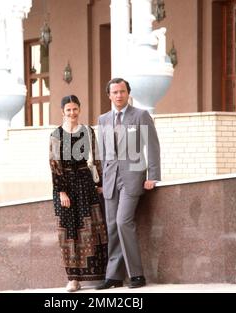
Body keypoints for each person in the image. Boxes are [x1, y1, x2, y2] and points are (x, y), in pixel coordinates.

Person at [96, 78, 161, 289]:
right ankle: (114, 276)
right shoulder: (103, 119)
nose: (118, 95)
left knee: (124, 221)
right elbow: (103, 154)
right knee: (112, 225)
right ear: (109, 95)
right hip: (110, 179)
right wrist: (101, 179)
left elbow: (152, 146)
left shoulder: (140, 116)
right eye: (114, 92)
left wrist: (153, 175)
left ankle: (137, 275)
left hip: (133, 178)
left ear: (128, 93)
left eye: (122, 91)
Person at [49, 95, 108, 292]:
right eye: (68, 110)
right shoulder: (56, 135)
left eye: (75, 109)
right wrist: (61, 192)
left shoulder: (88, 131)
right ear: (62, 112)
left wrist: (99, 181)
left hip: (85, 183)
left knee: (93, 229)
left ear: (79, 110)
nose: (72, 113)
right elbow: (54, 165)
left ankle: (100, 275)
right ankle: (73, 279)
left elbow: (96, 157)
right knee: (69, 233)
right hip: (65, 187)